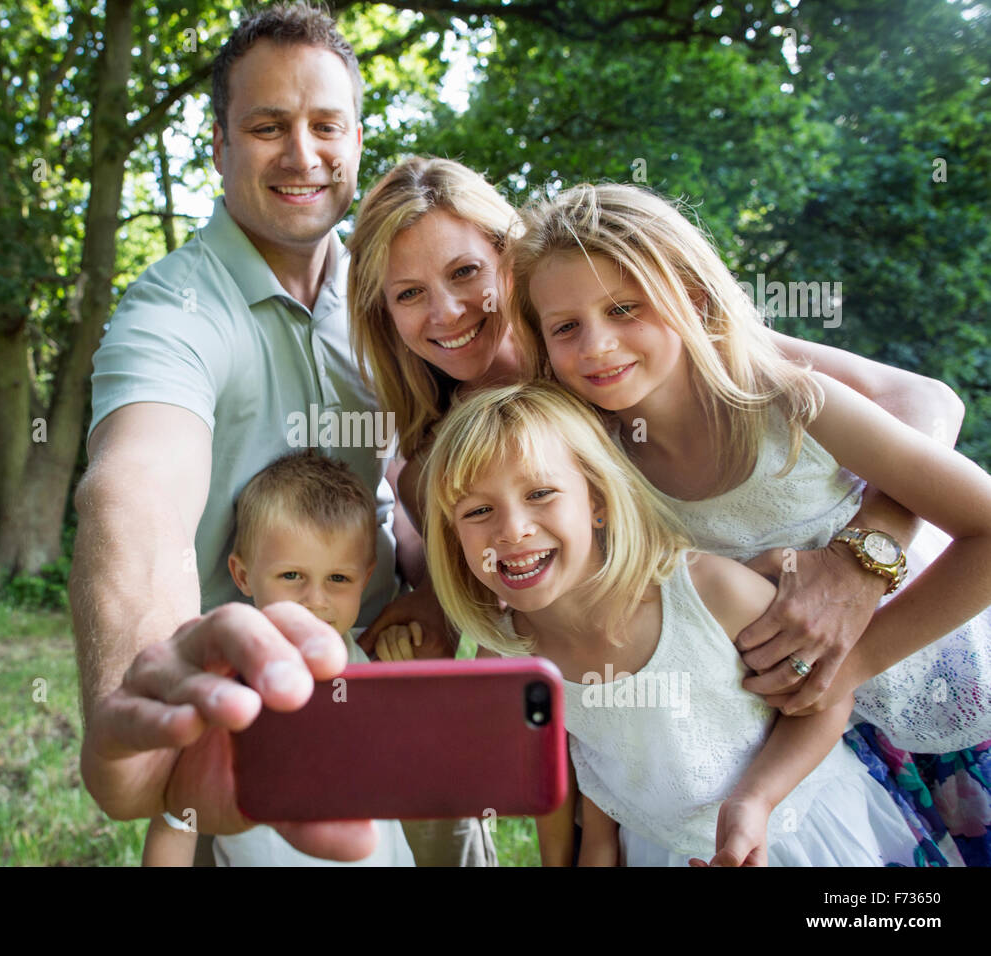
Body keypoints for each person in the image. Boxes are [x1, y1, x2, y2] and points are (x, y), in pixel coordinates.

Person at [346, 155, 968, 863]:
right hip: (740, 731)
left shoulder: (651, 353)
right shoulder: (470, 444)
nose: (447, 312)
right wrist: (434, 594)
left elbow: (926, 401)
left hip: (896, 657)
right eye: (408, 294)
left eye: (464, 273)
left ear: (507, 259)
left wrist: (860, 564)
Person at [72, 3, 467, 865]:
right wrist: (147, 694)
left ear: (357, 139)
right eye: (266, 126)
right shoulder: (169, 314)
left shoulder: (394, 292)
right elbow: (134, 493)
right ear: (218, 144)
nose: (302, 154)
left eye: (326, 124)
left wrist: (431, 595)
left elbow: (422, 471)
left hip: (392, 683)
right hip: (251, 729)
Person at [509, 182, 991, 864]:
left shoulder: (788, 402)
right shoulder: (599, 473)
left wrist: (856, 660)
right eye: (565, 327)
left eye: (625, 308)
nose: (598, 344)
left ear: (693, 299)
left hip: (945, 695)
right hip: (814, 750)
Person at [422, 380, 925, 865]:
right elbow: (600, 754)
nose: (513, 530)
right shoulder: (512, 660)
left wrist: (756, 801)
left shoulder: (708, 592)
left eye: (540, 494)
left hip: (802, 833)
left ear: (596, 500)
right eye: (479, 510)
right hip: (659, 851)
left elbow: (826, 699)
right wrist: (597, 847)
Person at [142, 452, 416, 866]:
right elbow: (177, 818)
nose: (316, 601)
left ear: (366, 576)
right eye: (292, 576)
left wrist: (400, 668)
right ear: (243, 575)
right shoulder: (227, 677)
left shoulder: (370, 659)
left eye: (338, 579)